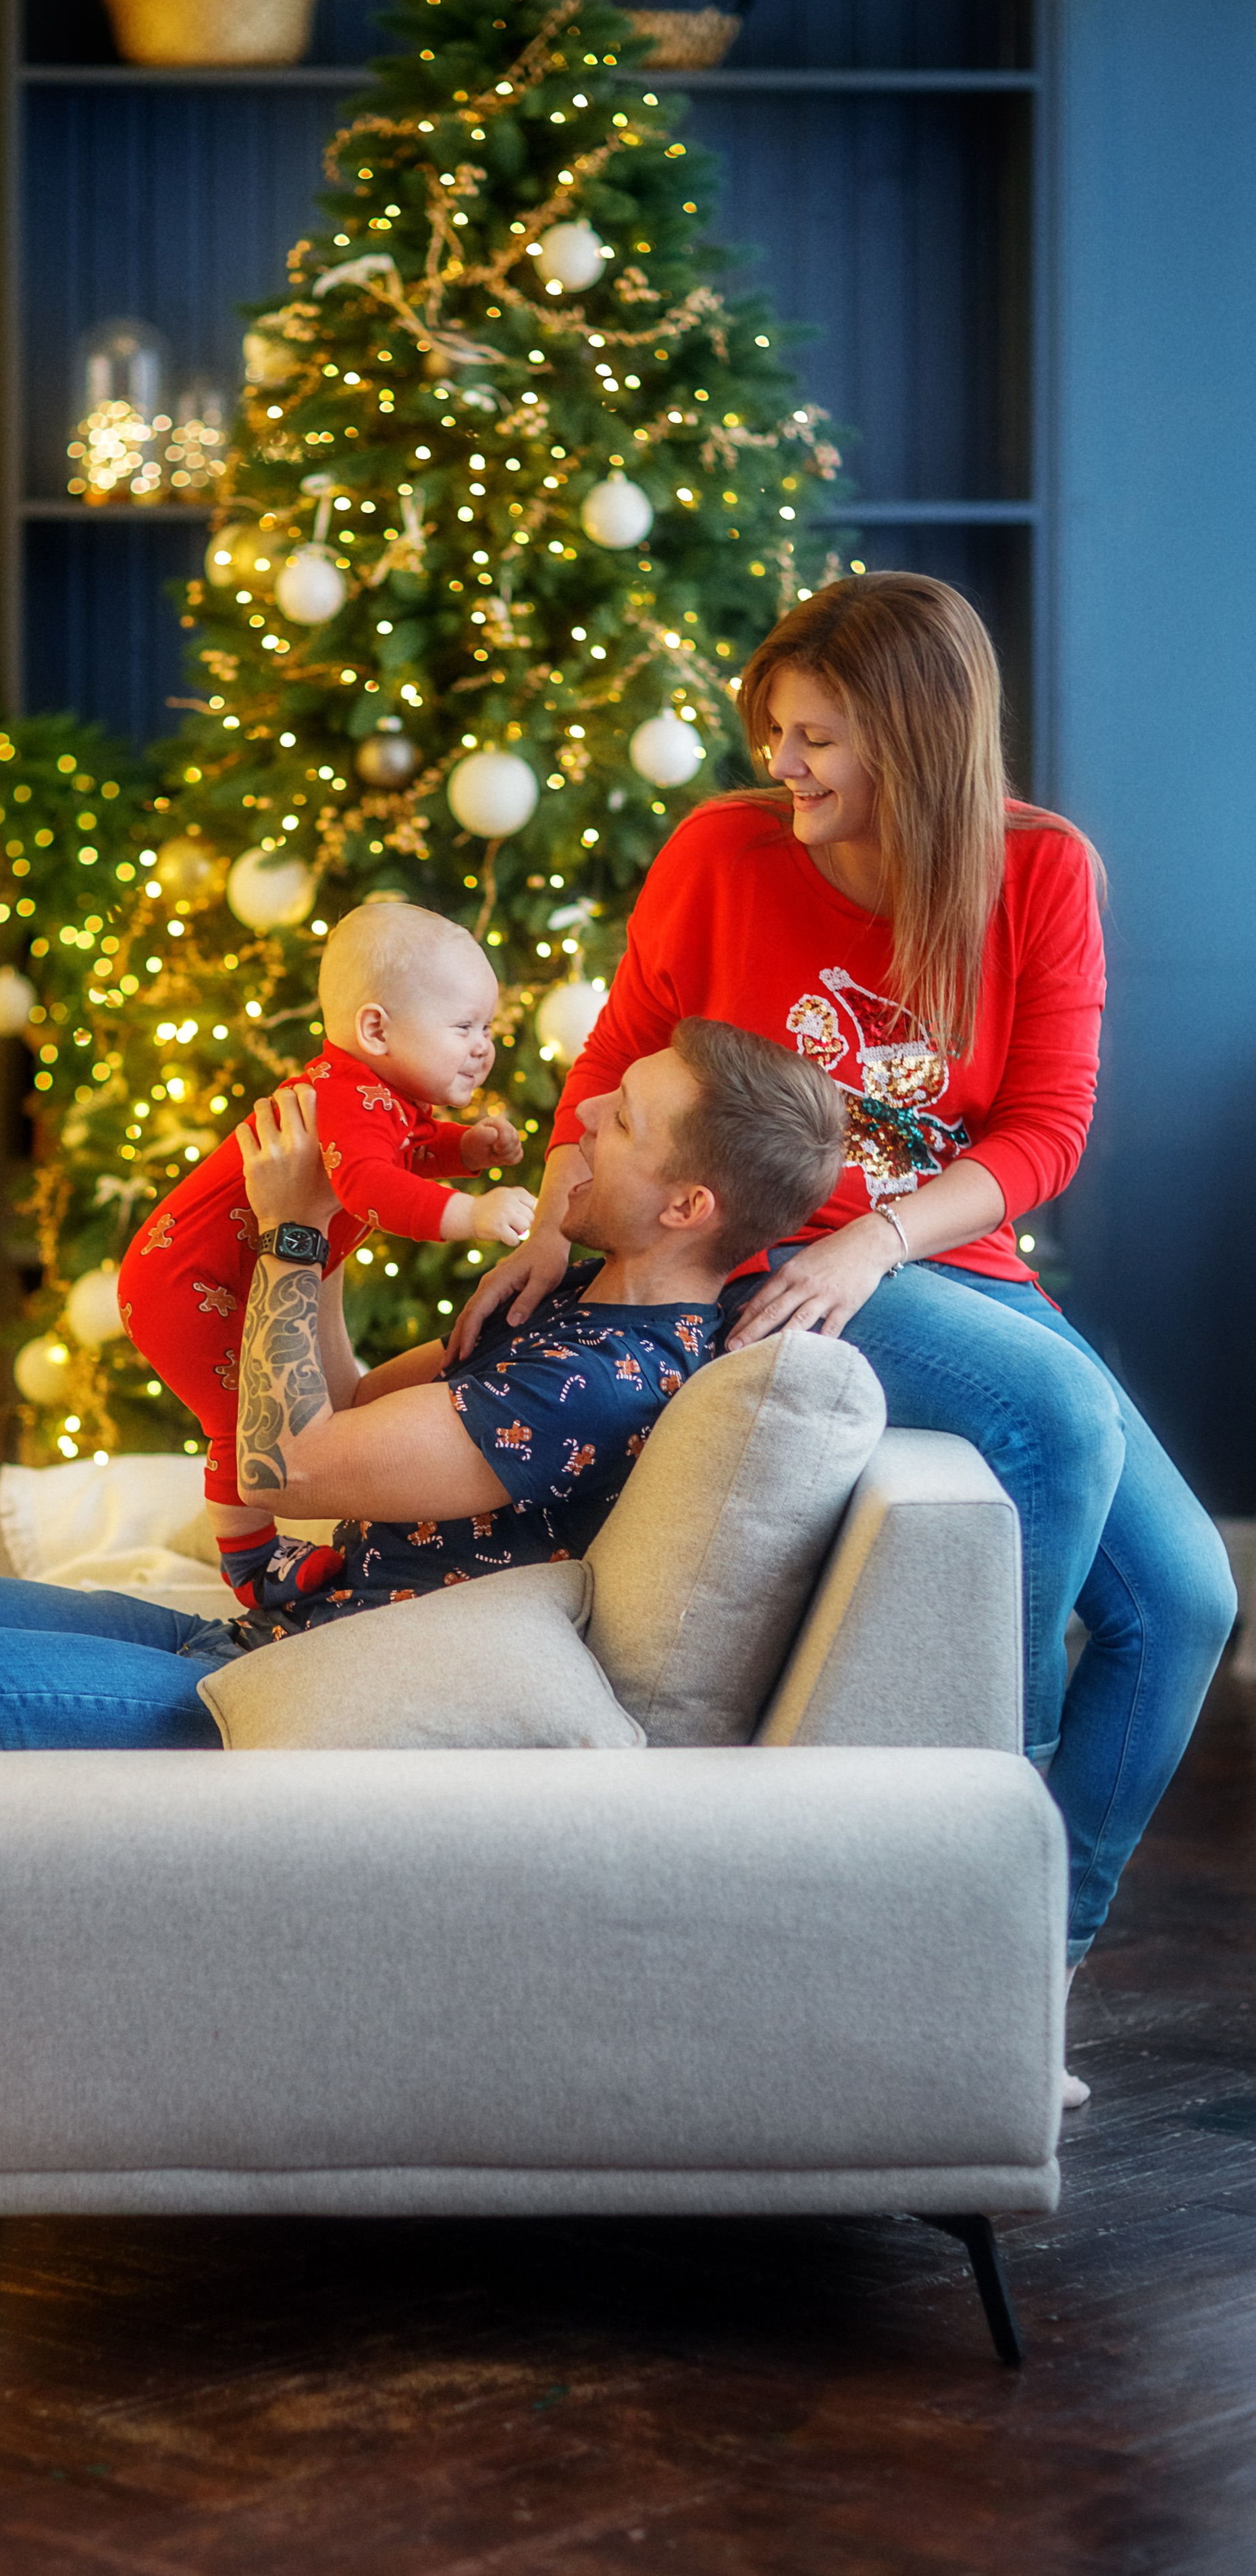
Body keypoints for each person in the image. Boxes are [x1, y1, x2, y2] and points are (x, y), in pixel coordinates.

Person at [0, 1018, 842, 2173]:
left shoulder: (604, 1381)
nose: (591, 1107)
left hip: (295, 1699)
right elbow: (332, 1400)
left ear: (687, 1209)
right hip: (283, 1628)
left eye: (632, 1115)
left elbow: (288, 1463)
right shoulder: (554, 1307)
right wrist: (316, 1236)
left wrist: (272, 1228)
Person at [452, 571, 1237, 2102]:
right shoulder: (721, 852)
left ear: (911, 734)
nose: (781, 766)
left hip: (927, 1259)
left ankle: (1022, 1951)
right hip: (769, 1252)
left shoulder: (1037, 871)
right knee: (1058, 1430)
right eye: (771, 733)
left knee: (1190, 1599)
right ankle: (963, 1847)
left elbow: (1043, 1128)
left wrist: (886, 1228)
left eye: (812, 736)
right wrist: (552, 1216)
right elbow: (617, 1048)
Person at [119, 901, 535, 1602]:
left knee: (257, 1404)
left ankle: (258, 1547)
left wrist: (463, 1148)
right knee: (239, 1415)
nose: (483, 1046)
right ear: (375, 1028)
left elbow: (402, 1149)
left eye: (487, 1027)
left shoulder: (379, 1097)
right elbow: (371, 1184)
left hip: (219, 1274)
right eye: (463, 1027)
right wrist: (473, 1213)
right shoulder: (346, 1095)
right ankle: (251, 1564)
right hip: (183, 1282)